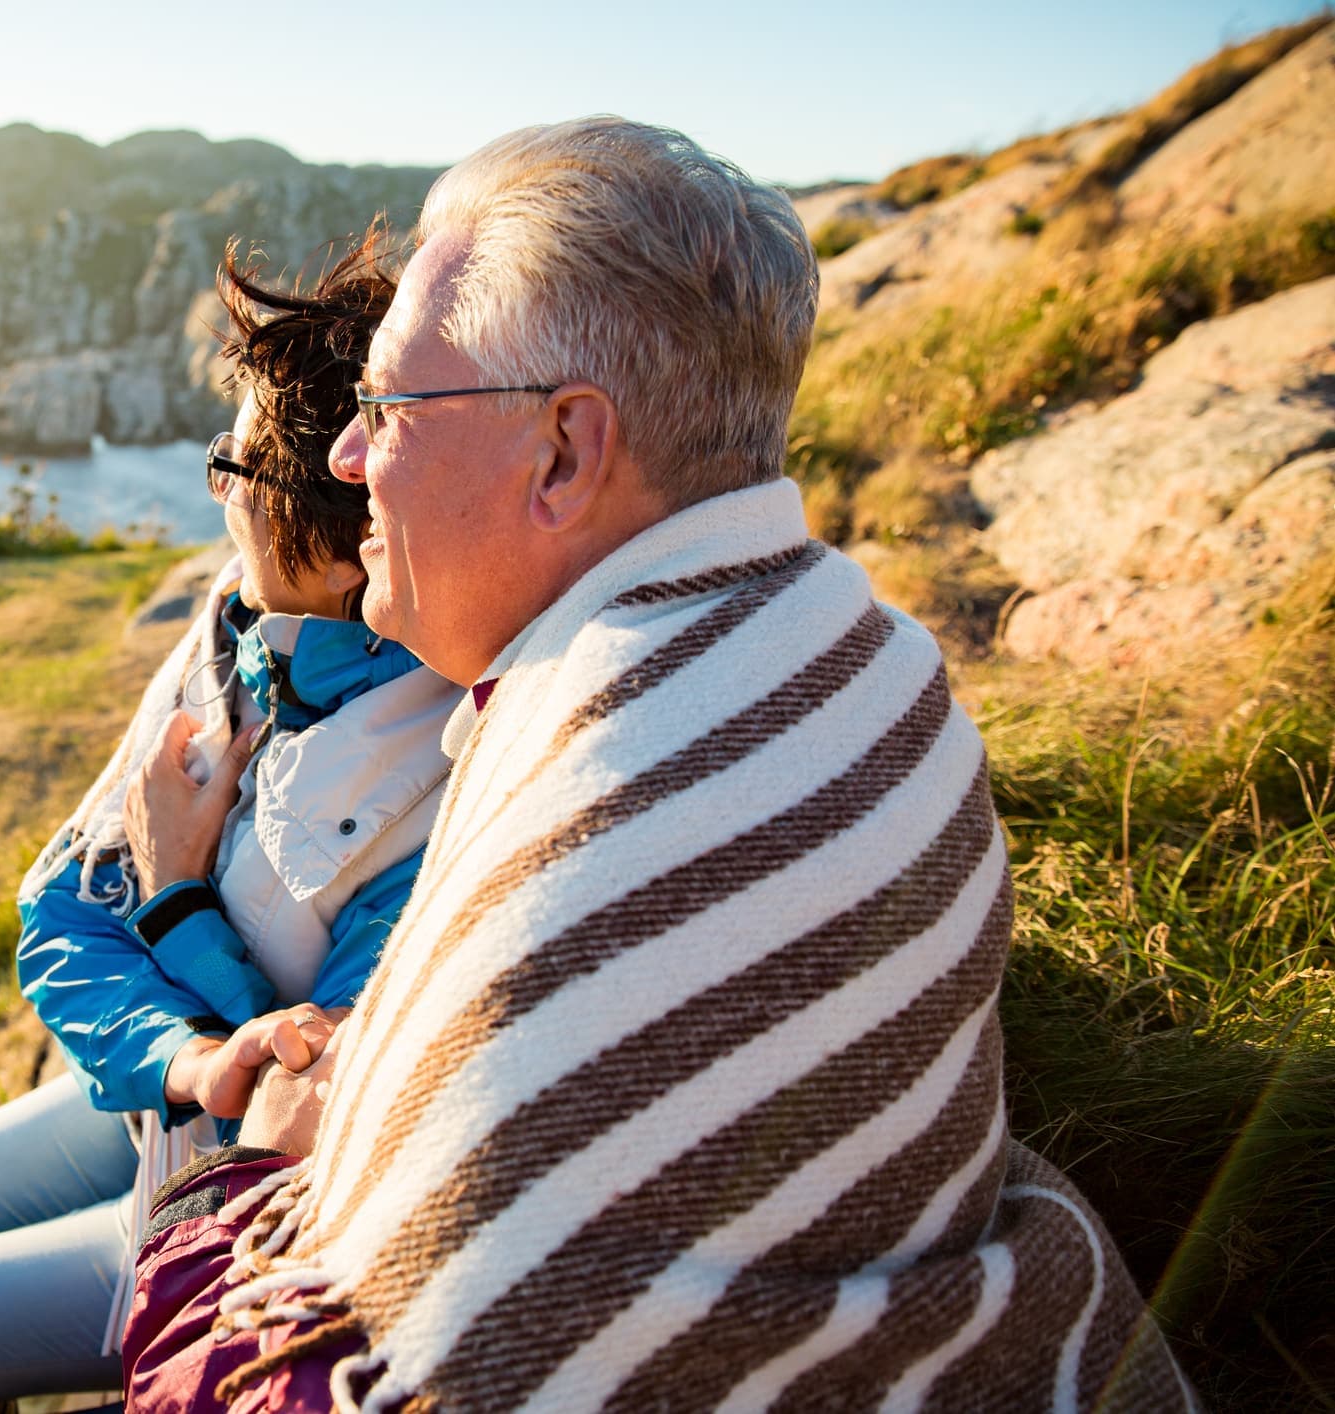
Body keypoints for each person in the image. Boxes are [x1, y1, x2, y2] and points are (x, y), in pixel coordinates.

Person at [121, 119, 1194, 1412]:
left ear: (564, 453)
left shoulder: (598, 779)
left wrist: (243, 1167)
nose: (347, 459)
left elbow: (310, 1373)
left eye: (385, 407)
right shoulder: (861, 652)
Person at [0, 232, 462, 1414]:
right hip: (144, 1085)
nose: (216, 490)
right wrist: (182, 1052)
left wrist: (177, 895)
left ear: (332, 502)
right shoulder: (239, 625)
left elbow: (309, 1095)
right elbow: (57, 909)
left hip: (217, 1190)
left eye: (235, 463)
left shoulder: (445, 754)